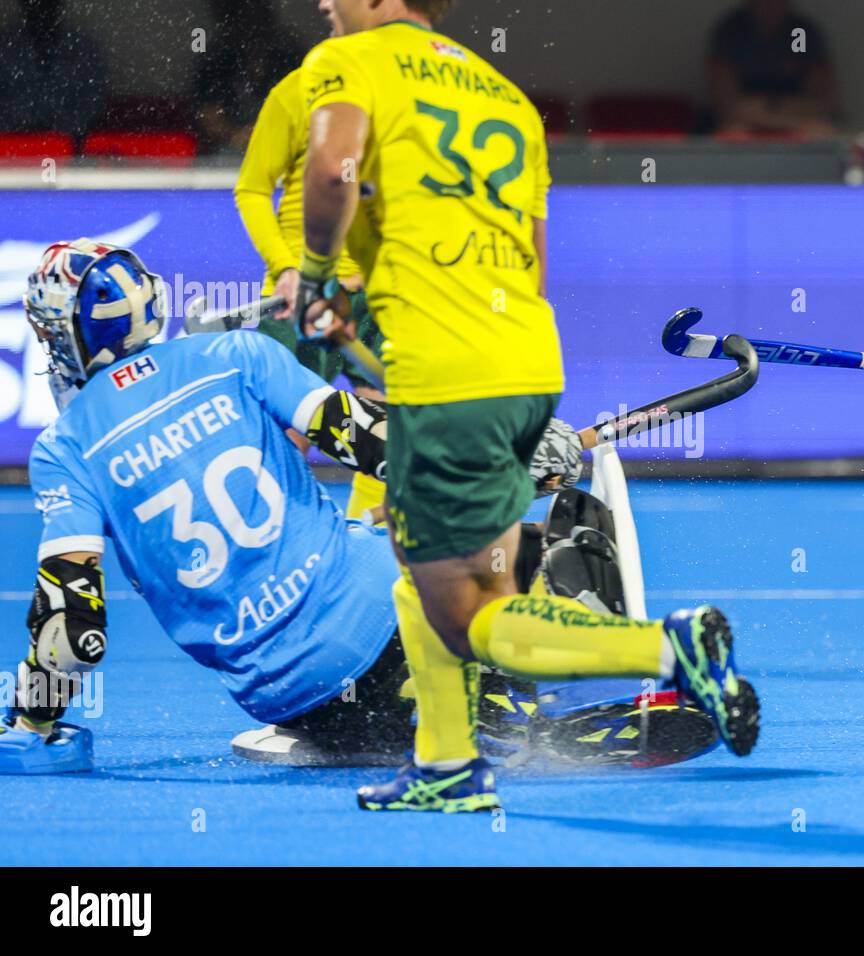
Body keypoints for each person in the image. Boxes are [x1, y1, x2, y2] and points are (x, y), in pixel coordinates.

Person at [293, 0, 759, 812]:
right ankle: (446, 764)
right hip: (521, 357)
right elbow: (531, 270)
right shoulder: (505, 95)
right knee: (431, 576)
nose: (323, 5)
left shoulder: (356, 62)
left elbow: (332, 171)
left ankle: (664, 646)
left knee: (469, 611)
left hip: (444, 370)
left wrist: (312, 271)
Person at [2, 240, 703, 776]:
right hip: (392, 614)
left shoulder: (63, 449)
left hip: (304, 707)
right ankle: (543, 673)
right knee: (516, 531)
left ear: (64, 334)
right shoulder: (236, 355)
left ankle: (476, 705)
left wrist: (33, 723)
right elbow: (375, 447)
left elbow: (72, 625)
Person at [234, 0, 386, 522]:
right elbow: (252, 189)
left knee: (384, 428)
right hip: (300, 298)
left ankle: (363, 546)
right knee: (289, 436)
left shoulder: (395, 94)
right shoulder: (296, 90)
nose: (324, 3)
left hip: (376, 295)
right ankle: (273, 552)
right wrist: (288, 270)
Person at [708, 0, 838, 139]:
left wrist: (776, 112)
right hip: (746, 126)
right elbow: (726, 103)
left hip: (798, 123)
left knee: (823, 133)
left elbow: (823, 102)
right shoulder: (731, 32)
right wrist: (762, 115)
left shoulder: (802, 32)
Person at [194, 0, 305, 155]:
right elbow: (207, 115)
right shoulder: (217, 59)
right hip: (228, 153)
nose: (251, 21)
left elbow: (305, 108)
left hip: (283, 147)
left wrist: (271, 133)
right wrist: (235, 135)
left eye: (257, 10)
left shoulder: (288, 55)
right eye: (243, 12)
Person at [0, 0, 107, 144]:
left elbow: (93, 101)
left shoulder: (83, 48)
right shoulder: (5, 46)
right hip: (11, 146)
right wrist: (20, 126)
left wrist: (61, 128)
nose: (41, 7)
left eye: (47, 3)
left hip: (72, 146)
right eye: (34, 2)